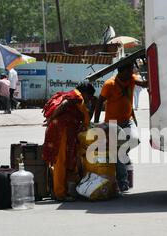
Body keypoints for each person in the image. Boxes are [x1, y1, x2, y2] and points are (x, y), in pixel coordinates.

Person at [93, 63, 148, 192]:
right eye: (129, 71)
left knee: (134, 140)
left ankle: (123, 160)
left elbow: (144, 84)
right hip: (112, 124)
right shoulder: (109, 84)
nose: (132, 73)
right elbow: (99, 102)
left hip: (128, 121)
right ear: (121, 72)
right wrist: (96, 123)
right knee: (118, 154)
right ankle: (123, 182)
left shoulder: (132, 79)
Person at [42, 82, 95, 202]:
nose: (89, 99)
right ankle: (60, 194)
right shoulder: (77, 96)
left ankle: (60, 190)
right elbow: (63, 105)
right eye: (90, 97)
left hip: (63, 131)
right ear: (86, 93)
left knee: (64, 160)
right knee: (60, 161)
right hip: (62, 131)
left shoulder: (72, 94)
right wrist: (51, 118)